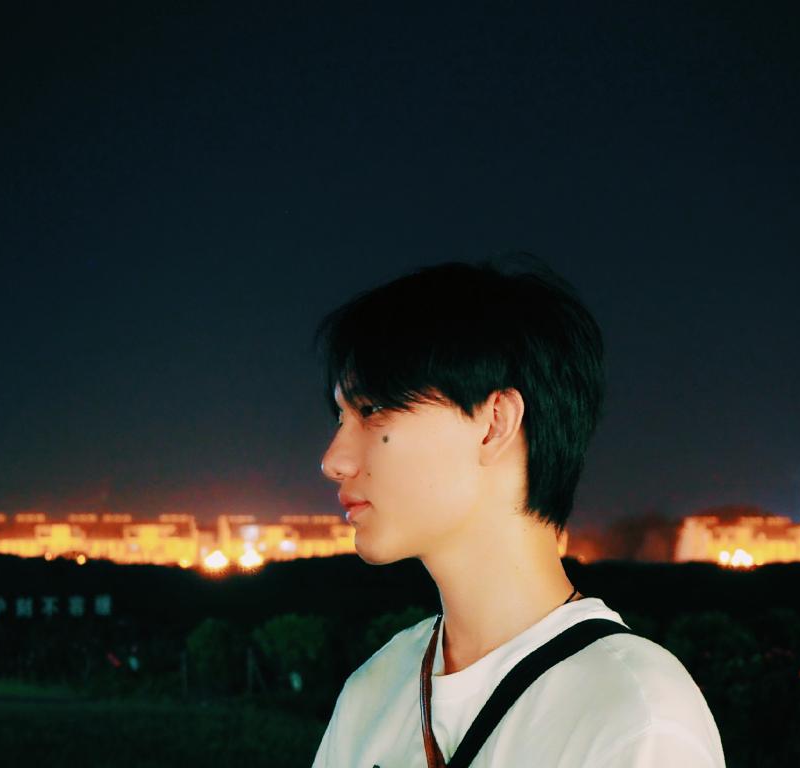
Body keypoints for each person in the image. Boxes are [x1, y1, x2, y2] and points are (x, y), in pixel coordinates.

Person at [311, 256, 725, 767]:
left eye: (372, 410)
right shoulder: (374, 692)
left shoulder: (636, 719)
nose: (333, 460)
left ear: (494, 423)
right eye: (341, 417)